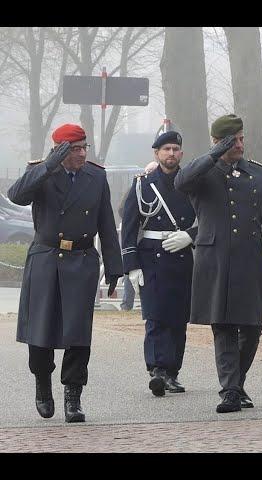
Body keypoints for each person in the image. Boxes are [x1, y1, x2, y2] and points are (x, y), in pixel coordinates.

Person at [175, 114, 262, 413]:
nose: (240, 144)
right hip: (215, 260)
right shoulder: (204, 173)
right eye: (233, 140)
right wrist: (214, 153)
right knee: (223, 327)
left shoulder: (257, 173)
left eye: (241, 138)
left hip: (249, 260)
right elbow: (181, 181)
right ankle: (230, 390)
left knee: (252, 327)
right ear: (218, 141)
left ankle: (236, 384)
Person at [7, 123, 123, 422]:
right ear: (59, 150)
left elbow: (106, 223)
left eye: (84, 147)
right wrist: (48, 165)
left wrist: (114, 267)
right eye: (74, 149)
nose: (82, 153)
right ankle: (43, 383)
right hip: (46, 258)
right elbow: (16, 195)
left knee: (78, 334)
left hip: (81, 260)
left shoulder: (96, 176)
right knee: (41, 331)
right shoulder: (43, 173)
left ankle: (73, 395)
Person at [121, 131, 196, 396]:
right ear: (157, 154)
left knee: (178, 318)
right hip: (152, 256)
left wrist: (191, 236)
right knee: (155, 316)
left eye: (176, 149)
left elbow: (208, 218)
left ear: (182, 154)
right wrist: (130, 264)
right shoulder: (143, 184)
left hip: (182, 255)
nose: (171, 154)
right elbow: (129, 226)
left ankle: (173, 372)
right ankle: (157, 370)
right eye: (166, 149)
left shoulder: (191, 182)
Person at [118, 160, 159, 312]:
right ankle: (126, 304)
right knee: (132, 269)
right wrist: (137, 220)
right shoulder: (137, 187)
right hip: (138, 235)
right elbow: (123, 209)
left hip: (155, 238)